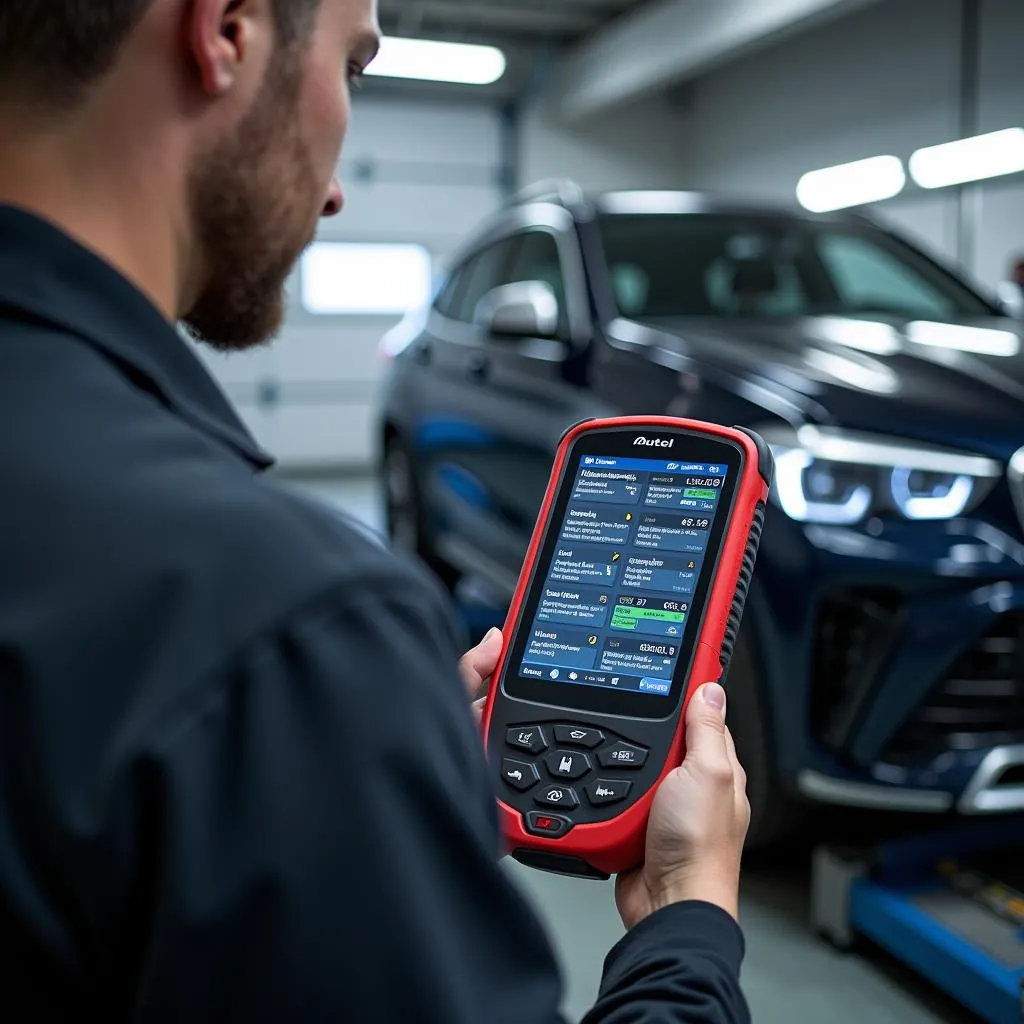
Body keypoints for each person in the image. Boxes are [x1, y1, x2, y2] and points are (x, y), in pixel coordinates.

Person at [0, 1, 752, 1021]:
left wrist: (354, 769)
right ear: (227, 31)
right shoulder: (288, 622)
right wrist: (688, 925)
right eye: (352, 69)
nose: (341, 191)